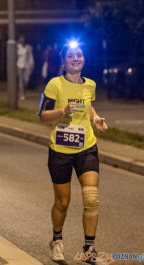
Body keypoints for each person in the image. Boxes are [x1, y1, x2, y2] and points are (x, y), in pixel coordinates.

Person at [37, 41, 108, 265]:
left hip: (86, 147)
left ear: (83, 59)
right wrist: (63, 111)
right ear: (64, 60)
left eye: (79, 54)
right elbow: (42, 115)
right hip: (60, 151)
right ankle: (56, 240)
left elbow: (88, 106)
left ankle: (89, 249)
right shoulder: (54, 85)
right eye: (71, 55)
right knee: (63, 202)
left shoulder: (90, 85)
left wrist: (95, 118)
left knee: (91, 199)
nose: (76, 58)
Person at [17, 35, 34, 100]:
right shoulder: (17, 47)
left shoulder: (28, 47)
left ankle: (24, 91)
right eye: (21, 39)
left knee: (26, 80)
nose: (23, 40)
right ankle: (22, 94)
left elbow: (30, 56)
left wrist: (32, 64)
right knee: (21, 80)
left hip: (26, 66)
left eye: (23, 39)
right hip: (19, 65)